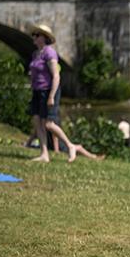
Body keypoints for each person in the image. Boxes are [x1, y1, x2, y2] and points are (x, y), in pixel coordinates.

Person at [28, 24, 78, 163]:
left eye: (37, 35)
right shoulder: (36, 53)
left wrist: (51, 96)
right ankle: (44, 154)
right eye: (34, 35)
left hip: (48, 91)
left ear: (44, 37)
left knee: (49, 124)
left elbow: (56, 76)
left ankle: (70, 146)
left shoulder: (50, 53)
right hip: (37, 91)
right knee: (38, 121)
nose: (34, 37)